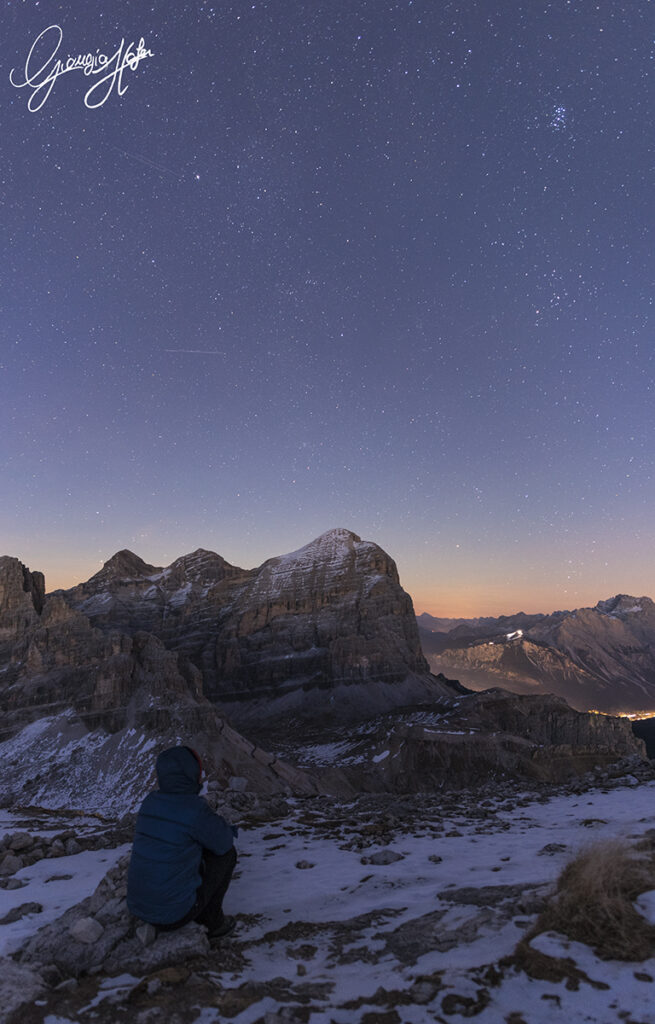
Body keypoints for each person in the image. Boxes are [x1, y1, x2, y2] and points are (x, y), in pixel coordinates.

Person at [127, 745, 237, 939]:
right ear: (191, 774)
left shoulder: (149, 801)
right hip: (173, 916)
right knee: (227, 855)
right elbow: (224, 843)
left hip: (137, 907)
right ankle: (213, 923)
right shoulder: (194, 809)